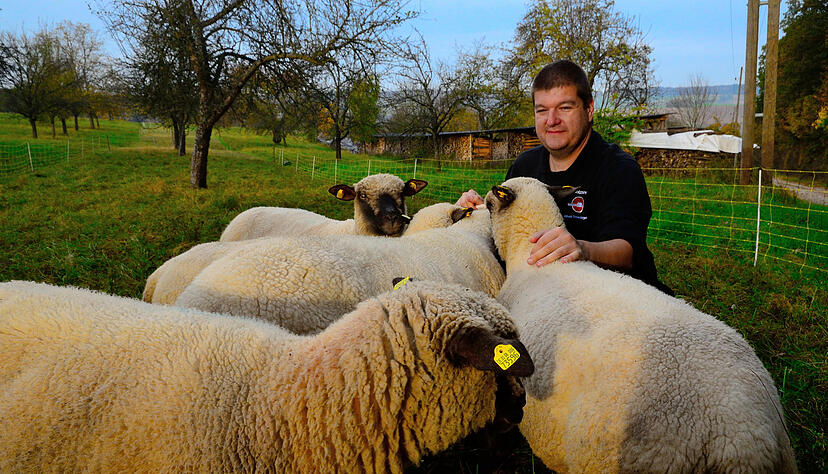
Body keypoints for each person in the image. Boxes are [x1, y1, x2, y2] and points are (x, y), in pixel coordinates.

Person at [457, 59, 673, 295]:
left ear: (589, 110)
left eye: (565, 107)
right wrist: (478, 211)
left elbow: (627, 250)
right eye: (542, 110)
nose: (552, 120)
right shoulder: (524, 166)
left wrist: (582, 249)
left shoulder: (618, 168)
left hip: (617, 298)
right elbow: (505, 231)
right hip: (545, 298)